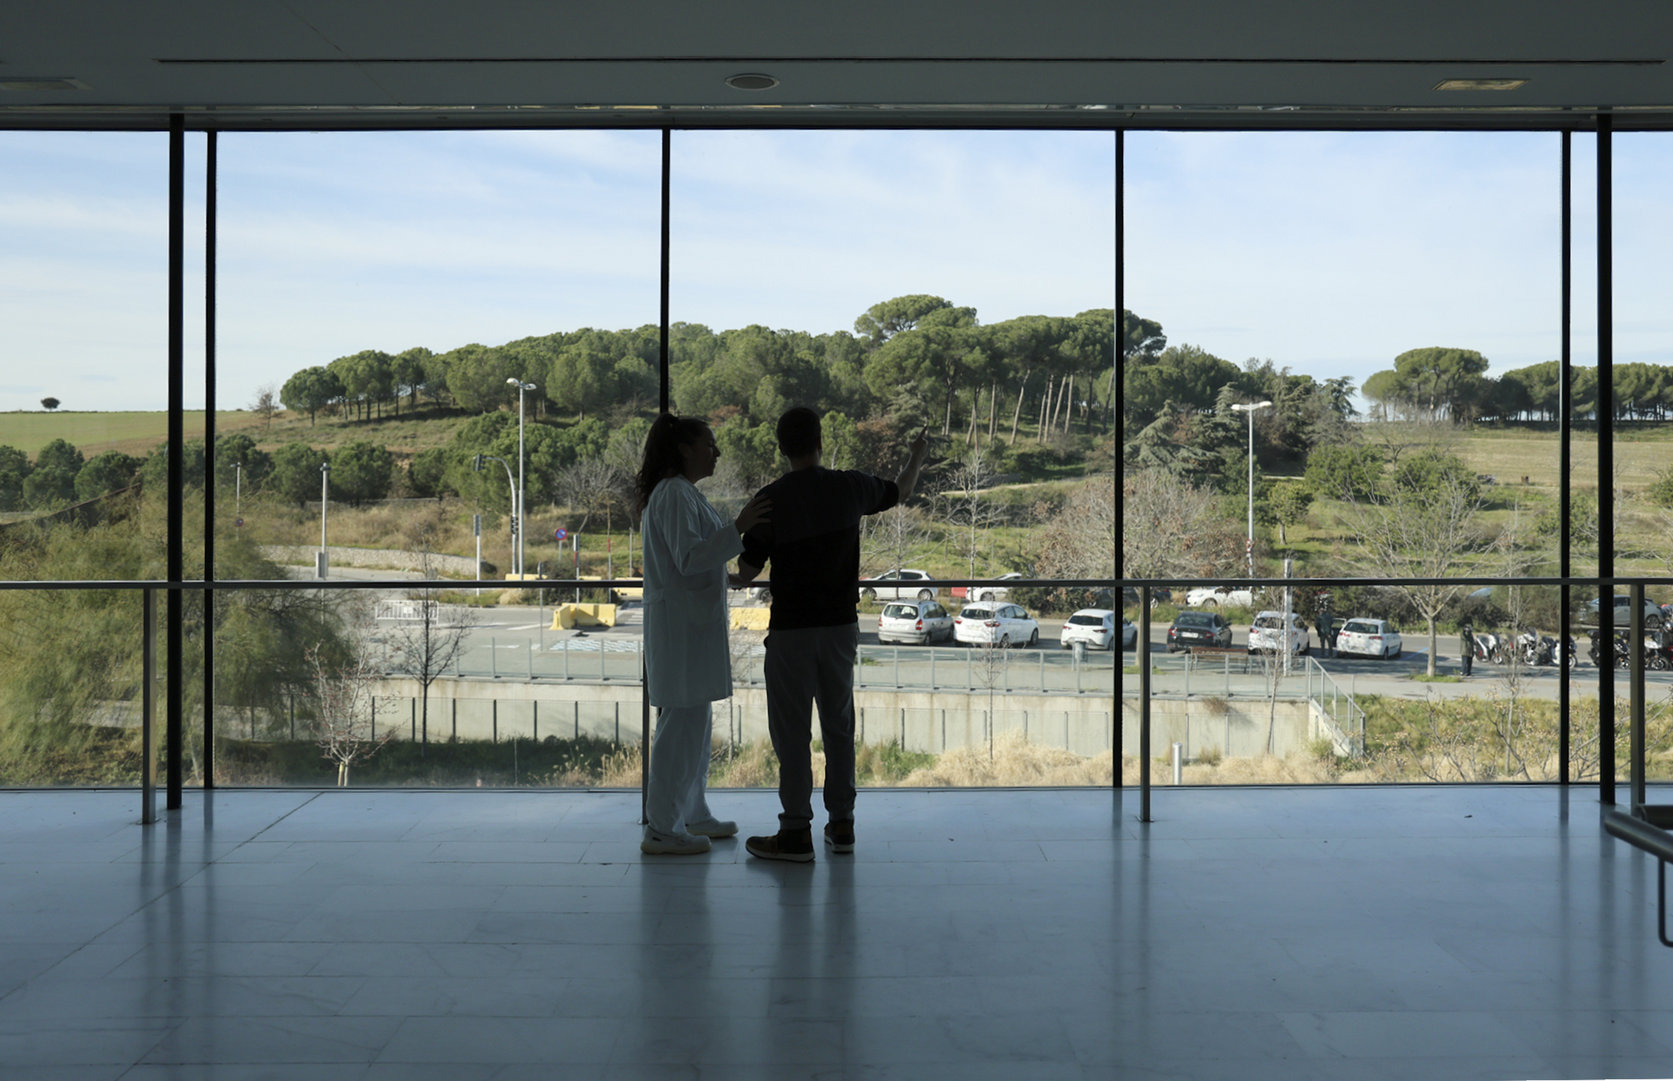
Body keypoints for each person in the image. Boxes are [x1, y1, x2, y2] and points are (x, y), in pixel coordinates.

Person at [734, 407, 928, 863]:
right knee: (838, 727)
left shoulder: (770, 500)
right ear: (821, 440)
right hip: (840, 629)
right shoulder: (851, 486)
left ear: (781, 448)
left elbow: (744, 574)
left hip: (790, 634)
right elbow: (901, 489)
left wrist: (730, 539)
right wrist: (916, 455)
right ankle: (842, 825)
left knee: (792, 733)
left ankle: (795, 832)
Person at [635, 413, 770, 855]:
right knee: (680, 730)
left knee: (693, 725)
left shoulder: (682, 494)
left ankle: (691, 813)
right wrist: (740, 526)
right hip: (681, 632)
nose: (717, 451)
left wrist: (730, 565)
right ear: (684, 449)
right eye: (709, 443)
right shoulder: (674, 494)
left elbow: (698, 559)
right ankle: (662, 827)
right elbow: (690, 558)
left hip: (688, 631)